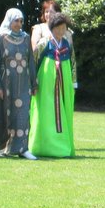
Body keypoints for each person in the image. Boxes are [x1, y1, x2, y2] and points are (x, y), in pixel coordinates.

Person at [0, 8, 38, 160]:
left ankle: (22, 148)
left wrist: (34, 83)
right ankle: (1, 148)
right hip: (5, 83)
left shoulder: (25, 38)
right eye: (16, 20)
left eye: (21, 21)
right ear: (9, 20)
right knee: (3, 114)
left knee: (23, 114)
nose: (19, 24)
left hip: (23, 84)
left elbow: (30, 61)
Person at [29, 12, 76, 158]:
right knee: (46, 112)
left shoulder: (67, 44)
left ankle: (62, 146)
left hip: (64, 83)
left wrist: (73, 83)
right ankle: (43, 145)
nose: (61, 31)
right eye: (58, 28)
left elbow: (73, 63)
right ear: (52, 28)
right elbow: (33, 62)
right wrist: (33, 82)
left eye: (64, 28)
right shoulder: (44, 43)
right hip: (46, 84)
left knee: (63, 112)